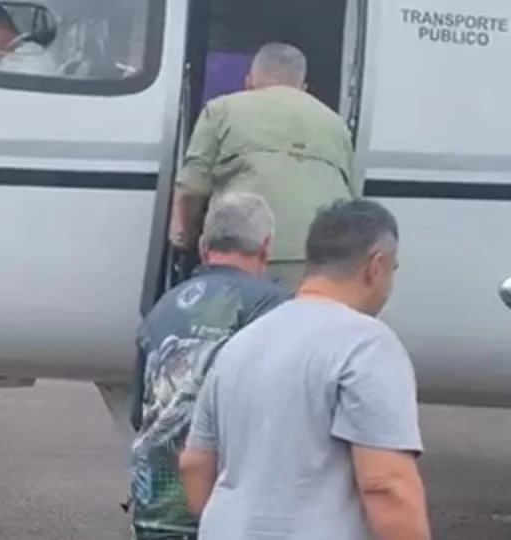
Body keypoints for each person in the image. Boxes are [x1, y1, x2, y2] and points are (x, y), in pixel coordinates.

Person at [180, 199, 430, 540]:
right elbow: (386, 486)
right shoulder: (368, 345)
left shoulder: (241, 343)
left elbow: (194, 464)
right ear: (376, 265)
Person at [130, 193, 290, 540]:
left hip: (156, 513)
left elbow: (137, 413)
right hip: (231, 516)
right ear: (265, 248)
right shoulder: (274, 308)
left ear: (203, 248)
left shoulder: (163, 308)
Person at [169, 42, 359, 289]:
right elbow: (353, 201)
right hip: (322, 262)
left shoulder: (221, 111)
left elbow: (191, 189)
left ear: (249, 82)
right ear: (303, 88)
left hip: (246, 256)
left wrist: (184, 237)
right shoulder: (336, 125)